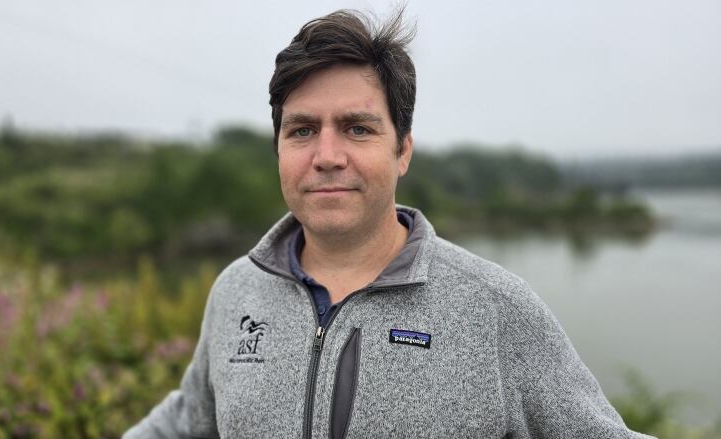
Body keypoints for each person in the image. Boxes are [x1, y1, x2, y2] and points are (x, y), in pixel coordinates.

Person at [125, 9, 655, 439]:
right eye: (302, 130)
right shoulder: (236, 290)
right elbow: (187, 423)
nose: (327, 155)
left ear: (402, 150)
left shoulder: (495, 308)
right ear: (278, 149)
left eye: (357, 128)